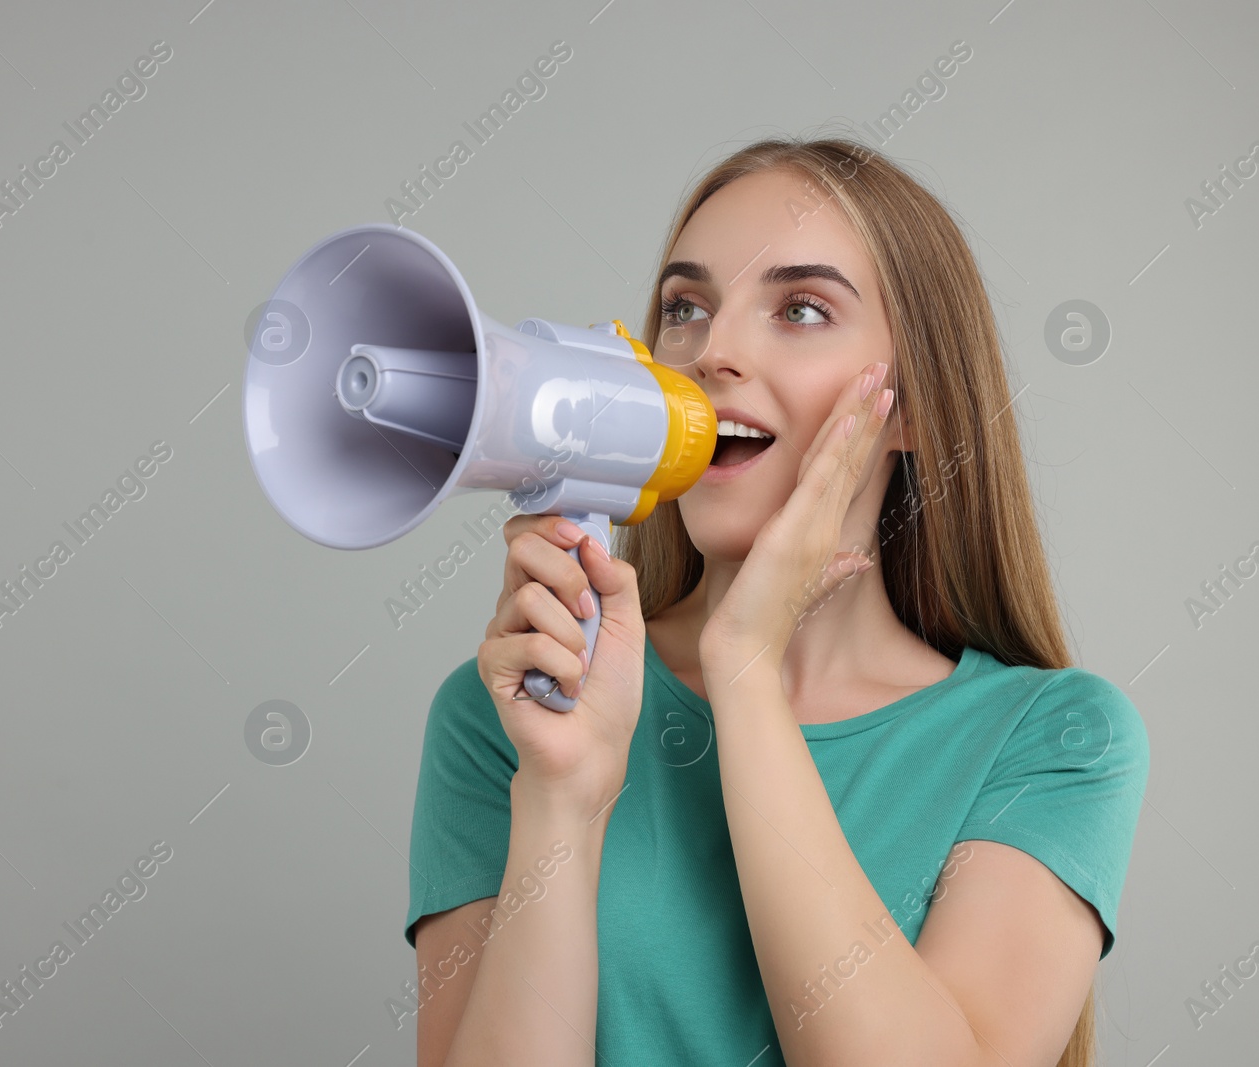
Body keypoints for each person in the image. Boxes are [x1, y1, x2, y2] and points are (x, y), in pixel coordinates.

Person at [402, 135, 1149, 1067]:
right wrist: (561, 794)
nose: (714, 350)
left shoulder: (1054, 739)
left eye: (800, 308)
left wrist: (746, 668)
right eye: (685, 308)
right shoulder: (502, 718)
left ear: (912, 406)